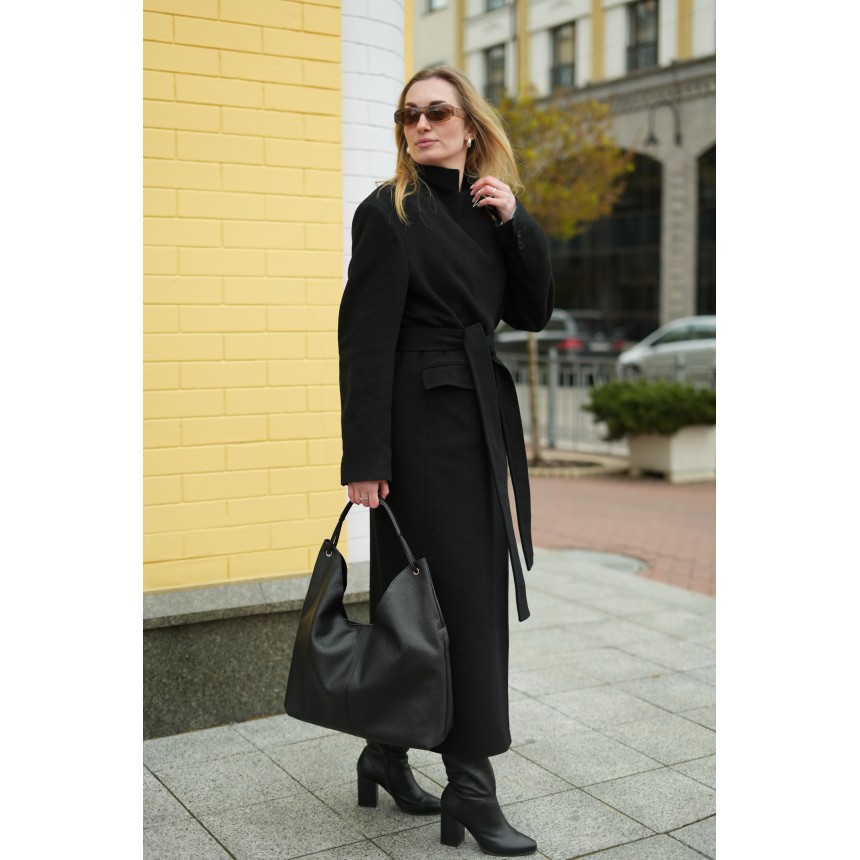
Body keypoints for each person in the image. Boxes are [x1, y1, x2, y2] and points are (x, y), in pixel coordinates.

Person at [338, 66, 554, 856]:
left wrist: (517, 222)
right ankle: (471, 783)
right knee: (447, 604)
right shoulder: (387, 211)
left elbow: (533, 311)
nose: (422, 125)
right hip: (419, 432)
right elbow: (363, 343)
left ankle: (385, 751)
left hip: (476, 423)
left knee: (445, 601)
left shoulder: (487, 210)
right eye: (409, 115)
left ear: (470, 126)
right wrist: (365, 457)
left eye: (437, 112)